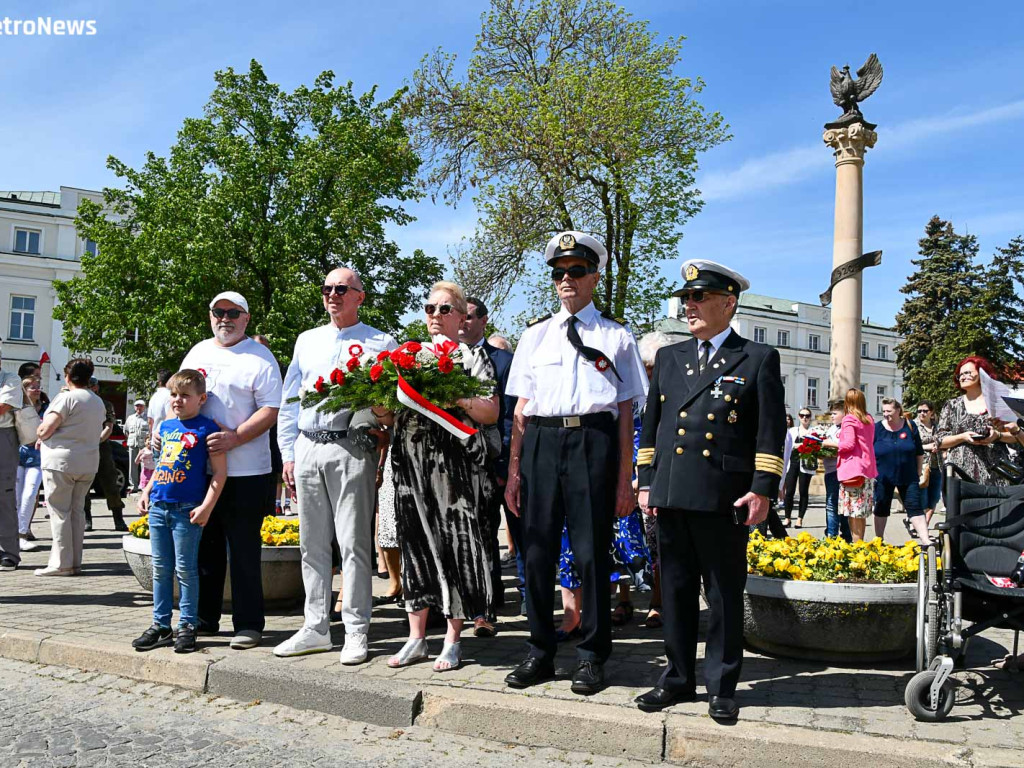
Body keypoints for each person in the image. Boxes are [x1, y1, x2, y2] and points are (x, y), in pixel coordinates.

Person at [634, 258, 785, 722]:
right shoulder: (670, 357)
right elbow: (652, 426)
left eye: (699, 298)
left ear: (728, 303)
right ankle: (677, 678)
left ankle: (721, 685)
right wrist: (645, 482)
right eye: (686, 300)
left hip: (723, 496)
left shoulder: (756, 357)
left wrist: (762, 489)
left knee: (721, 594)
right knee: (676, 591)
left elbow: (769, 429)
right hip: (673, 492)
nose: (690, 307)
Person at [504, 231, 647, 696]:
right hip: (543, 443)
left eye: (576, 271)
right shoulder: (534, 336)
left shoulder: (616, 336)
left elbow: (626, 411)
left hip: (593, 441)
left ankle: (591, 655)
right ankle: (540, 651)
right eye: (559, 273)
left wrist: (627, 478)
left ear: (594, 277)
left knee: (590, 553)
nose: (566, 280)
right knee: (539, 552)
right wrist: (513, 473)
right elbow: (521, 411)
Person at [275, 268, 397, 664]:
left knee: (354, 543)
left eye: (341, 289)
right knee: (311, 543)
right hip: (310, 445)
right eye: (327, 288)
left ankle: (357, 629)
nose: (333, 295)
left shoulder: (380, 341)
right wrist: (288, 453)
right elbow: (290, 399)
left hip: (351, 446)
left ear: (359, 296)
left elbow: (389, 402)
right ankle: (315, 627)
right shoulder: (307, 340)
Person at [384, 280, 499, 674]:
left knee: (454, 550)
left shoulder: (472, 358)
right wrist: (379, 404)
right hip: (410, 464)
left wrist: (457, 399)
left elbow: (490, 412)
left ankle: (453, 639)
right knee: (414, 546)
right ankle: (416, 637)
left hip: (453, 470)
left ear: (462, 315)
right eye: (430, 308)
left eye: (444, 309)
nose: (435, 315)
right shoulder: (406, 356)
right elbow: (390, 414)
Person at [181, 291, 282, 650]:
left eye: (233, 313)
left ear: (246, 318)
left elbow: (271, 409)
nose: (225, 318)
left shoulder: (260, 357)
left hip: (246, 471)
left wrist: (235, 437)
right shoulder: (198, 351)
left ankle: (249, 624)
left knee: (242, 550)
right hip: (201, 470)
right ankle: (206, 618)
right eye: (218, 312)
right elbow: (182, 396)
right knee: (204, 548)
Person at [132, 370, 227, 654]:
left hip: (187, 509)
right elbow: (161, 465)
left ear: (201, 399)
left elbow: (220, 473)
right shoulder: (165, 427)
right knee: (161, 569)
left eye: (185, 396)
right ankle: (160, 624)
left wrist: (206, 506)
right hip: (159, 506)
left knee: (186, 569)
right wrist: (146, 492)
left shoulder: (207, 428)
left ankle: (187, 624)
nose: (178, 400)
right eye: (174, 395)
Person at [460, 296, 515, 637]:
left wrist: (503, 462)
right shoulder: (440, 358)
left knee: (486, 534)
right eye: (458, 316)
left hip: (492, 463)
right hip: (452, 464)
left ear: (484, 320)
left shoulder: (505, 361)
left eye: (468, 317)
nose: (462, 323)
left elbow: (510, 417)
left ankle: (486, 607)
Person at [35, 359, 107, 576]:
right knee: (77, 512)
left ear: (68, 377)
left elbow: (45, 429)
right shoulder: (97, 401)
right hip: (88, 462)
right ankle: (75, 561)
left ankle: (60, 563)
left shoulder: (66, 398)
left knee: (59, 511)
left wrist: (39, 432)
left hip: (60, 462)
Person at [636, 331, 674, 629]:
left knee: (657, 543)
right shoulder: (632, 392)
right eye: (646, 368)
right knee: (625, 541)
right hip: (629, 475)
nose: (650, 374)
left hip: (657, 479)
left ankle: (658, 601)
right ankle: (625, 600)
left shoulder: (672, 392)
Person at [933, 356, 1016, 486]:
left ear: (982, 373)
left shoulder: (997, 403)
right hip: (961, 473)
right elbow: (940, 440)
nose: (962, 377)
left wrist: (997, 436)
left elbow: (1015, 436)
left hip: (996, 472)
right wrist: (963, 437)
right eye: (959, 374)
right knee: (964, 506)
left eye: (967, 372)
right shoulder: (952, 405)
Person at [873, 399, 928, 542]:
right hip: (883, 477)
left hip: (908, 476)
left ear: (898, 411)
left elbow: (919, 452)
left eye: (889, 411)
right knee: (881, 507)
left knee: (915, 507)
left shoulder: (910, 426)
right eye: (884, 411)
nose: (886, 414)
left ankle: (926, 540)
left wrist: (918, 472)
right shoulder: (877, 428)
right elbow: (869, 452)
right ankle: (879, 540)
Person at [85, 377, 128, 532]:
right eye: (87, 386)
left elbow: (109, 427)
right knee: (84, 485)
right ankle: (86, 519)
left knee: (110, 483)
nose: (90, 388)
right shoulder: (80, 403)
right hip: (83, 447)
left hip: (101, 446)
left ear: (97, 388)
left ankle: (118, 519)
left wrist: (97, 441)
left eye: (92, 386)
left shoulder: (105, 404)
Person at [252, 335, 288, 517]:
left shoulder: (281, 369)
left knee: (276, 468)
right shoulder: (244, 365)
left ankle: (277, 506)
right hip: (249, 431)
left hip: (275, 426)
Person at [837, 388, 877, 543]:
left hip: (852, 471)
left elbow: (848, 444)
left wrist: (830, 443)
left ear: (848, 402)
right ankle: (860, 544)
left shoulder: (849, 419)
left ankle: (857, 546)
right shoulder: (869, 419)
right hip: (867, 469)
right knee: (860, 512)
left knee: (854, 513)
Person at [0, 339, 24, 571]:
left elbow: (3, 406)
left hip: (3, 437)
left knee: (5, 496)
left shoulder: (10, 379)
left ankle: (9, 553)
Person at [16, 375, 46, 552]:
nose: (36, 389)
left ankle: (22, 533)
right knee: (16, 497)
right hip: (18, 454)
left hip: (38, 456)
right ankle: (14, 534)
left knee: (30, 493)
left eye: (38, 386)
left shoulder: (47, 408)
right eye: (32, 387)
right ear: (24, 391)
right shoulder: (16, 408)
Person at [822, 399, 852, 542]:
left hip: (841, 471)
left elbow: (848, 447)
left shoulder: (847, 429)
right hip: (829, 471)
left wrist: (830, 446)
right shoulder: (832, 429)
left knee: (838, 505)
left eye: (835, 413)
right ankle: (832, 533)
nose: (832, 416)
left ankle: (838, 536)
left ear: (844, 413)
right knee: (832, 504)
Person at [782, 409, 815, 528]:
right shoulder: (792, 431)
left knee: (803, 491)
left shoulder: (813, 431)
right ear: (799, 417)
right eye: (802, 415)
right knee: (789, 491)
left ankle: (800, 519)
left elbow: (816, 446)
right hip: (793, 463)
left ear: (810, 417)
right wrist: (799, 446)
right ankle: (787, 517)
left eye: (807, 416)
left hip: (806, 463)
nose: (805, 418)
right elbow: (787, 445)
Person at [913, 401, 943, 524]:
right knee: (923, 499)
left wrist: (940, 447)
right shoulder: (913, 426)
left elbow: (944, 440)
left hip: (937, 466)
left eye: (925, 411)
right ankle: (919, 525)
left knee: (934, 498)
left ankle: (924, 524)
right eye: (919, 411)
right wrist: (928, 447)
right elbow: (911, 446)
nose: (922, 413)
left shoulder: (938, 426)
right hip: (922, 466)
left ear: (931, 412)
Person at [125, 399, 150, 493]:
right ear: (135, 407)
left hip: (144, 446)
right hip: (132, 444)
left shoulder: (148, 418)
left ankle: (145, 485)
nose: (139, 408)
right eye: (137, 406)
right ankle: (133, 486)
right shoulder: (130, 418)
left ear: (144, 407)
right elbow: (126, 431)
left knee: (145, 465)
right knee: (132, 465)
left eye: (141, 406)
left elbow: (150, 431)